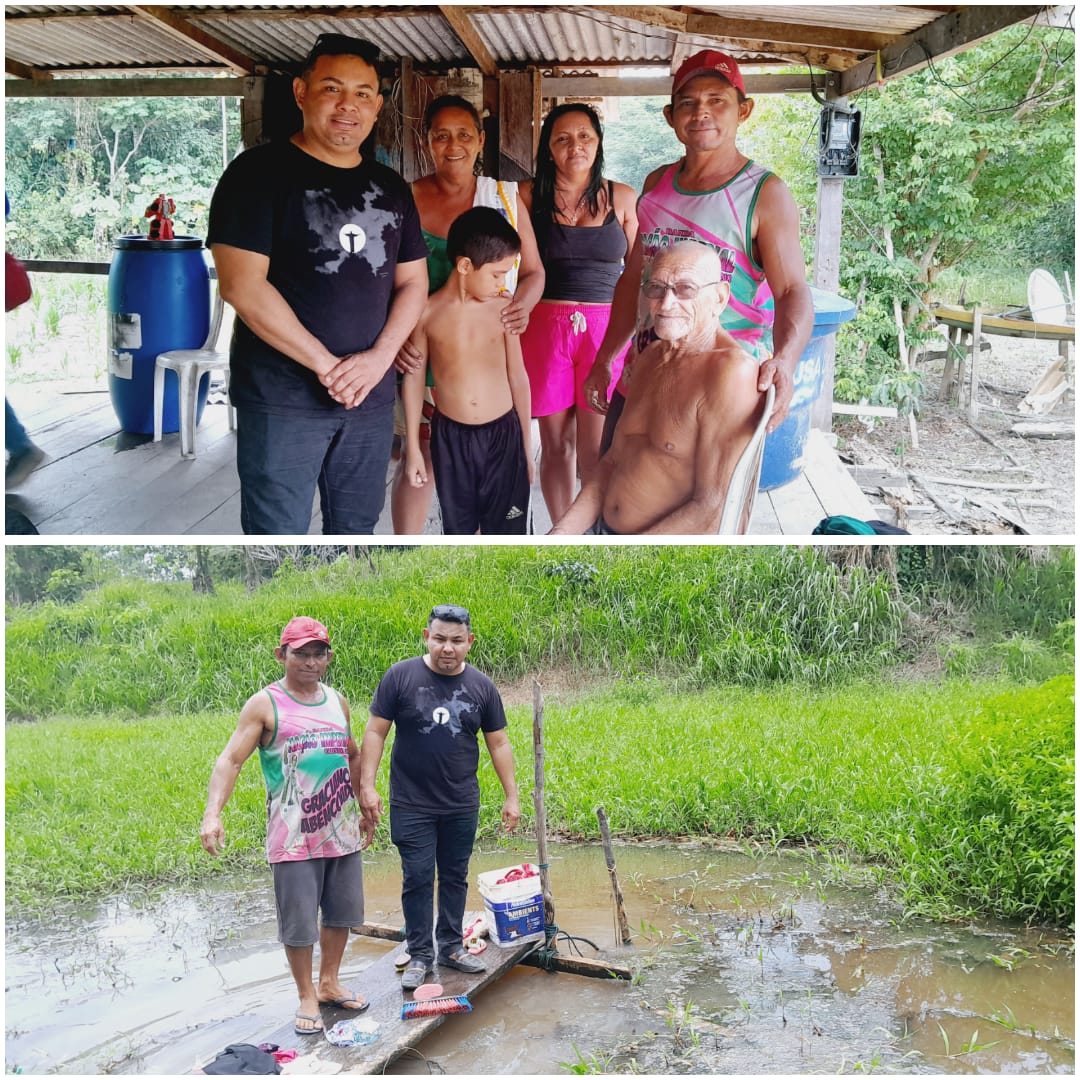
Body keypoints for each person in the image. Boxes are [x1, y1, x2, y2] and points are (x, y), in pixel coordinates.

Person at [207, 34, 429, 534]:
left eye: (363, 93)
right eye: (332, 88)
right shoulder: (256, 174)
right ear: (302, 92)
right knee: (276, 532)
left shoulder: (390, 187)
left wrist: (378, 360)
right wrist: (327, 366)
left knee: (356, 533)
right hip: (283, 397)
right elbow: (242, 286)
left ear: (377, 106)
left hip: (371, 397)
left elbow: (413, 281)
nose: (348, 105)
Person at [584, 49, 812, 447]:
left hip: (720, 391)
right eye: (687, 103)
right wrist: (606, 359)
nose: (700, 112)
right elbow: (635, 278)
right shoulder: (656, 185)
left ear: (744, 110)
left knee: (705, 507)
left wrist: (785, 361)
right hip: (642, 379)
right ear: (670, 117)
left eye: (716, 101)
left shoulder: (763, 194)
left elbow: (792, 290)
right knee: (616, 498)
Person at [200, 617, 373, 1036]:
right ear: (282, 655)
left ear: (328, 657)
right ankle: (306, 996)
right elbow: (230, 760)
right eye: (301, 653)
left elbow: (350, 753)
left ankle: (329, 983)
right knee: (298, 922)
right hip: (292, 834)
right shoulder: (265, 704)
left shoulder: (338, 701)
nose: (311, 662)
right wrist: (212, 813)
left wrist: (364, 800)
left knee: (340, 912)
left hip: (341, 828)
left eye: (319, 653)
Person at [391, 94, 544, 534]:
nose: (452, 145)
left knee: (503, 508)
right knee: (419, 459)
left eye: (463, 134)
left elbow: (532, 274)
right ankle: (408, 552)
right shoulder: (404, 200)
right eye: (441, 135)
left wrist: (519, 309)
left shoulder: (502, 199)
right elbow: (381, 278)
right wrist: (396, 334)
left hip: (487, 349)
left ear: (480, 140)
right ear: (427, 143)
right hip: (424, 343)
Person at [550, 241, 763, 535]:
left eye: (685, 289)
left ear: (719, 298)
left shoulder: (731, 372)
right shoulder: (650, 357)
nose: (665, 304)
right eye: (656, 288)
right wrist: (559, 536)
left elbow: (713, 505)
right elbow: (611, 463)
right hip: (602, 532)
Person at [360, 604, 520, 992]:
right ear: (426, 637)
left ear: (469, 643)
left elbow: (498, 743)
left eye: (456, 640)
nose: (447, 648)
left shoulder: (482, 687)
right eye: (439, 639)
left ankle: (450, 946)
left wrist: (512, 795)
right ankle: (419, 954)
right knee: (416, 877)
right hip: (411, 802)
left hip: (460, 801)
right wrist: (367, 785)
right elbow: (376, 732)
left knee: (453, 876)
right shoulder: (400, 677)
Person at [518, 103, 638, 523]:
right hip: (543, 329)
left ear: (599, 141)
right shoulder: (526, 197)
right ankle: (559, 527)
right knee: (555, 446)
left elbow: (639, 271)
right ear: (549, 149)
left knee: (595, 450)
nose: (575, 146)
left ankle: (589, 533)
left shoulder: (621, 197)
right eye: (563, 138)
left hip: (606, 333)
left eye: (585, 136)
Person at [402, 207, 533, 535]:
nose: (502, 283)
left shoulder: (504, 310)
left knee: (507, 530)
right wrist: (415, 452)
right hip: (450, 438)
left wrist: (527, 450)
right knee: (460, 531)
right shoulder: (426, 313)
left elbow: (518, 377)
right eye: (496, 274)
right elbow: (415, 379)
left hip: (504, 436)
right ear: (464, 265)